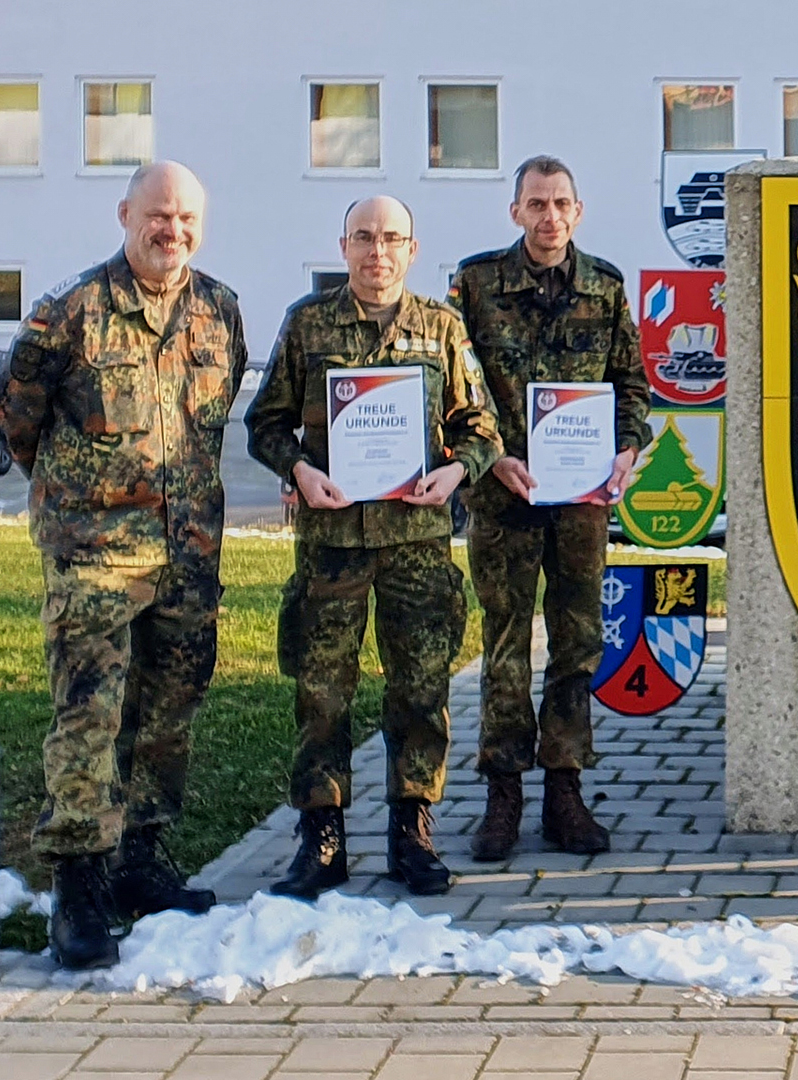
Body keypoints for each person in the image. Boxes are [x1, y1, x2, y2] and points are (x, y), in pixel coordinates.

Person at [0, 161, 244, 969]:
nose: (172, 231)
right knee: (91, 716)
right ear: (125, 213)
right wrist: (79, 506)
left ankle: (139, 860)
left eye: (186, 219)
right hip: (94, 559)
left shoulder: (219, 309)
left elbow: (213, 420)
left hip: (188, 555)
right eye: (157, 215)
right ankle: (80, 883)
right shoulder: (68, 313)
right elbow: (15, 423)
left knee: (167, 714)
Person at [247, 196, 502, 899]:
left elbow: (482, 427)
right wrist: (297, 469)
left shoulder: (441, 328)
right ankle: (321, 837)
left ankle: (412, 830)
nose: (377, 251)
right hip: (332, 543)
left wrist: (457, 470)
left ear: (412, 250)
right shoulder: (309, 324)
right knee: (322, 691)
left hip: (417, 544)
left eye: (391, 238)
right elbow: (264, 423)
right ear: (344, 245)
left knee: (420, 690)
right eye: (364, 238)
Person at [446, 156, 650, 861]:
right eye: (536, 203)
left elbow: (632, 385)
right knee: (505, 645)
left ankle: (565, 788)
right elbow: (454, 389)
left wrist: (626, 449)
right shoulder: (474, 286)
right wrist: (492, 455)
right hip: (504, 495)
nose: (549, 216)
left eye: (561, 202)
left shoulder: (606, 287)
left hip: (581, 503)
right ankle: (503, 793)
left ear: (579, 210)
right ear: (515, 213)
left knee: (576, 642)